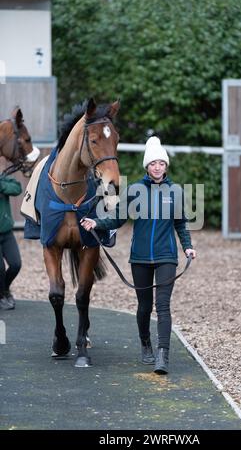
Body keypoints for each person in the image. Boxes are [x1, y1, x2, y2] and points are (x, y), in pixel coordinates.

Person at [81, 136, 196, 374]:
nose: (157, 167)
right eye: (153, 163)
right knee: (144, 307)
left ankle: (162, 355)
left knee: (162, 306)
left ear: (166, 166)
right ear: (147, 166)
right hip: (140, 258)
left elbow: (181, 224)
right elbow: (117, 219)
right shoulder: (134, 190)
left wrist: (187, 246)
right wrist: (96, 223)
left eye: (161, 163)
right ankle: (146, 343)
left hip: (167, 257)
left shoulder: (175, 191)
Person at [0, 175, 22, 310]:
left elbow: (17, 188)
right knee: (0, 269)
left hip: (7, 233)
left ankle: (4, 289)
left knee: (16, 264)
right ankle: (2, 296)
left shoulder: (3, 179)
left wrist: (1, 186)